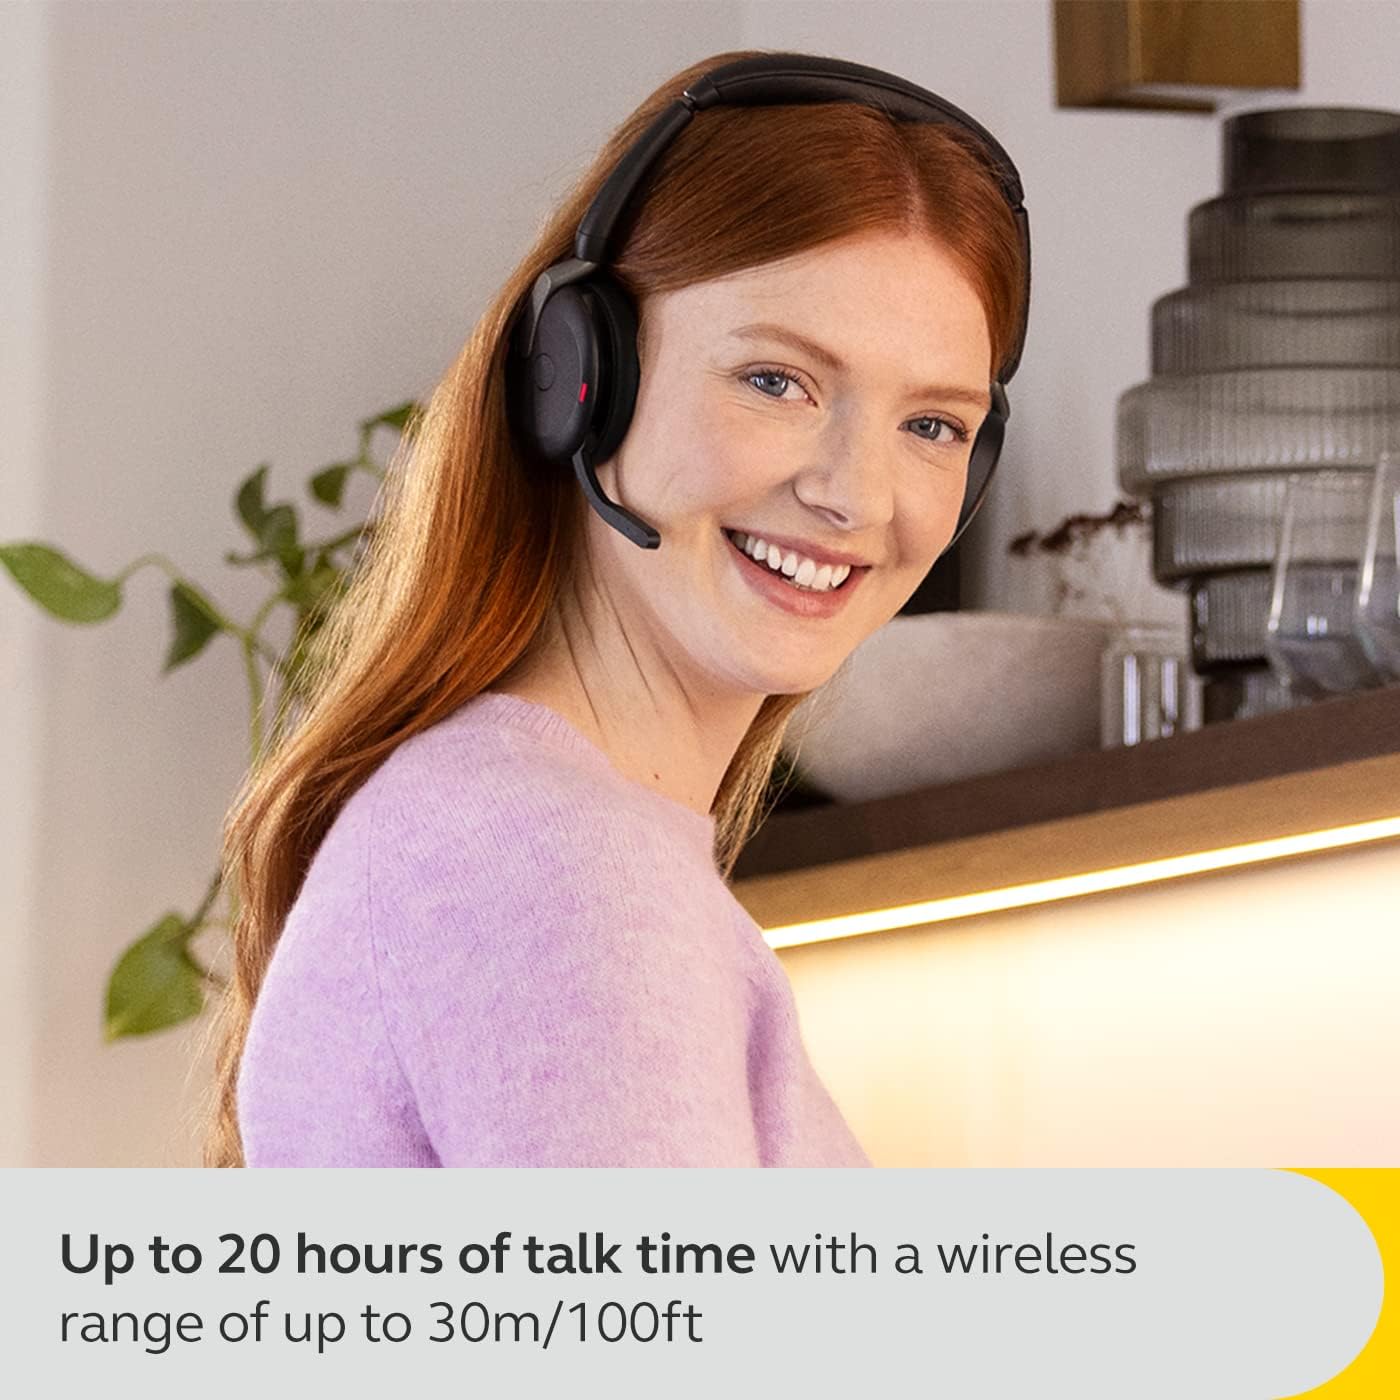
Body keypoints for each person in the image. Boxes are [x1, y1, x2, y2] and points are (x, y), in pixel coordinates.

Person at [204, 49, 1030, 1167]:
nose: (856, 496)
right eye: (776, 381)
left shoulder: (517, 830)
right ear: (580, 378)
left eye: (932, 425)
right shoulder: (564, 870)